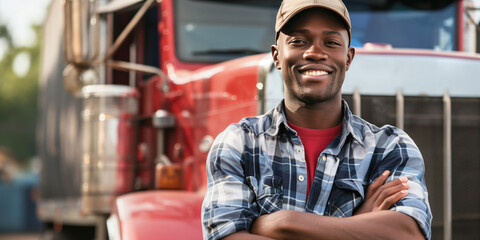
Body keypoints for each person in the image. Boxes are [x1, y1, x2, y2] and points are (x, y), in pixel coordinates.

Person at [201, 0, 432, 239]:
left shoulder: (390, 146)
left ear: (349, 58)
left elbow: (408, 232)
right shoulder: (239, 143)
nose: (315, 52)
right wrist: (357, 224)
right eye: (299, 41)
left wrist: (281, 223)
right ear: (276, 56)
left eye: (331, 42)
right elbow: (225, 236)